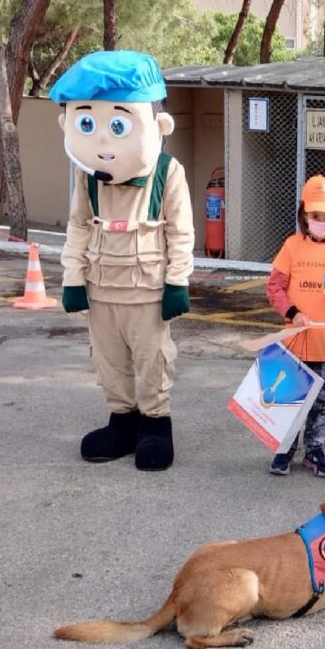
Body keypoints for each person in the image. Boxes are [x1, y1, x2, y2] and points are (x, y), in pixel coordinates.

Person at [50, 50, 194, 472]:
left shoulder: (168, 171)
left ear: (157, 124)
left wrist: (177, 281)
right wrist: (73, 277)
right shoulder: (85, 176)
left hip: (147, 291)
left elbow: (180, 231)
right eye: (88, 124)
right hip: (101, 290)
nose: (104, 142)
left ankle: (155, 424)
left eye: (117, 124)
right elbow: (78, 226)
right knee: (107, 359)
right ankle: (122, 421)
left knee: (153, 358)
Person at [265, 175, 325, 477]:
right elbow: (274, 288)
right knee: (292, 398)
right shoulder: (292, 246)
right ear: (304, 214)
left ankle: (314, 449)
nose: (321, 221)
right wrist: (293, 312)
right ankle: (285, 449)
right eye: (315, 215)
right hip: (296, 343)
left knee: (323, 401)